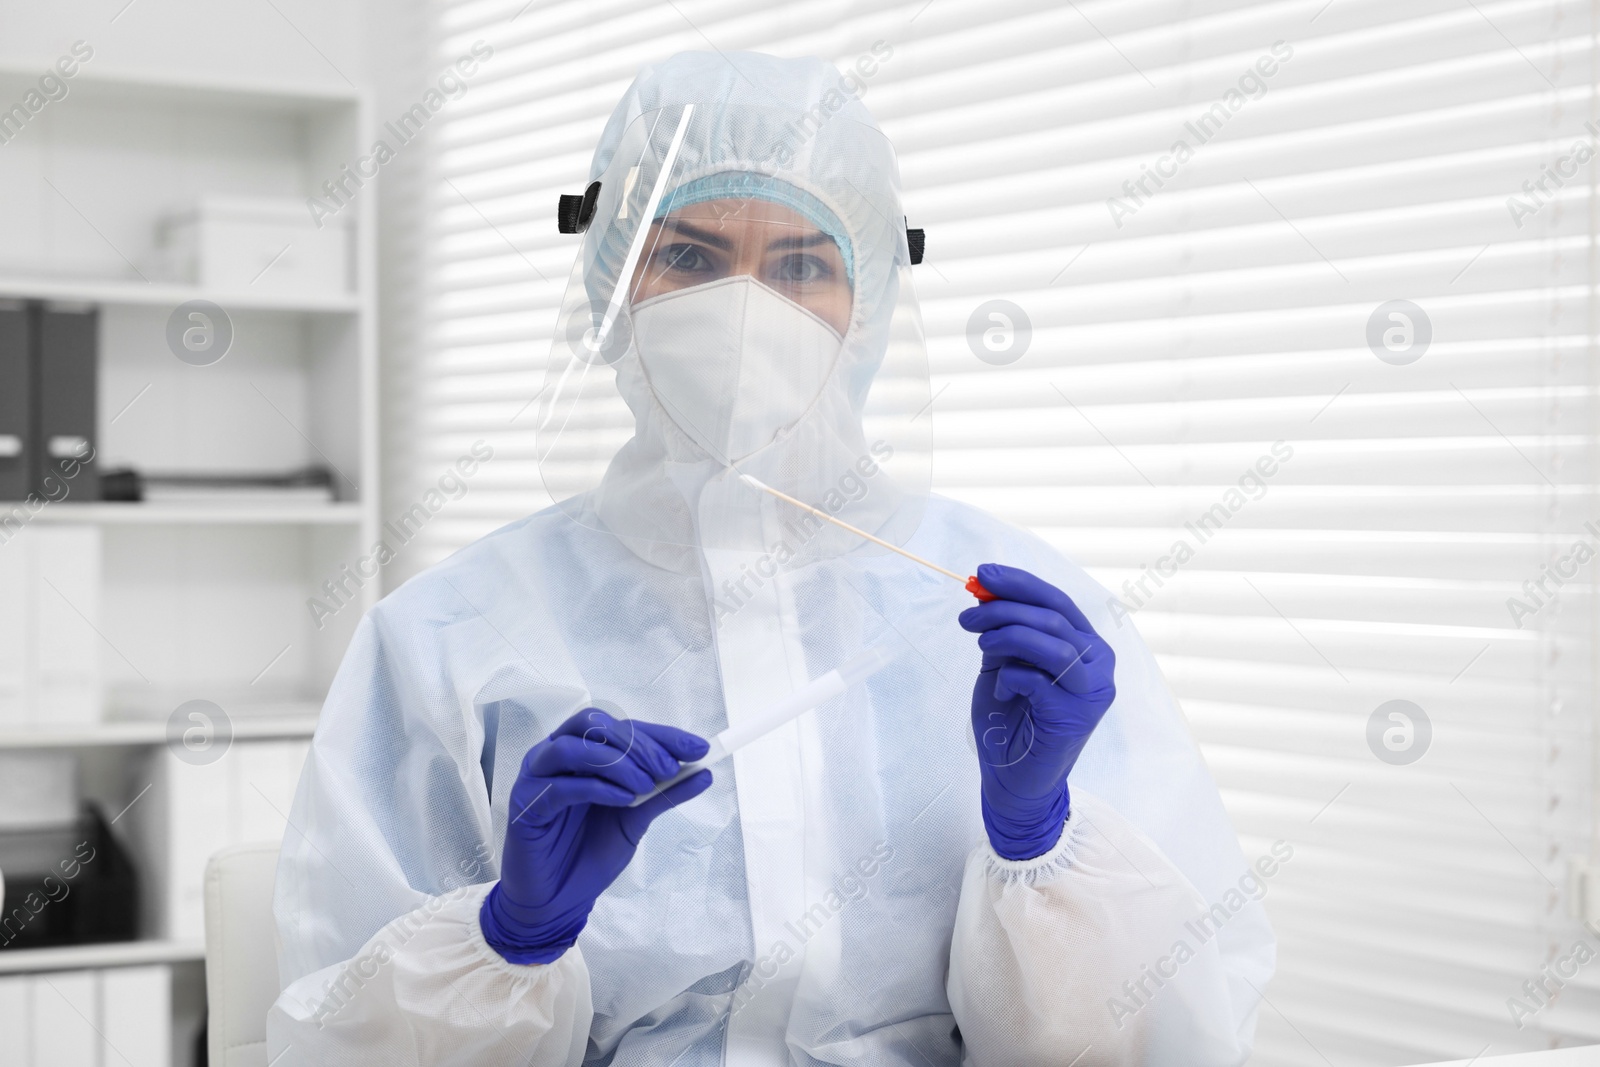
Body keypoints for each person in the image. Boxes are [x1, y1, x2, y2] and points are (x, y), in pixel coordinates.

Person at [266, 50, 1274, 1066]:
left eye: (799, 265)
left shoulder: (1023, 628)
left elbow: (1169, 1038)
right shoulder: (446, 636)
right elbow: (334, 1036)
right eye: (691, 259)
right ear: (611, 283)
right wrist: (507, 937)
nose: (742, 310)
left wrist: (1040, 839)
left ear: (868, 303)